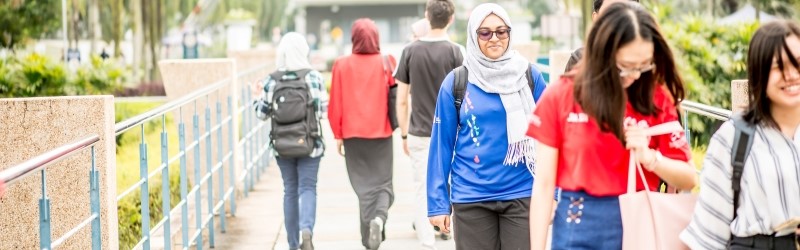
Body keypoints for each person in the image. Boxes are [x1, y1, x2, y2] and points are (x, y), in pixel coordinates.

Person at [527, 2, 698, 249]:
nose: (636, 75)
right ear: (602, 54)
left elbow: (689, 178)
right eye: (625, 66)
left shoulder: (656, 98)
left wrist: (650, 157)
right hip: (577, 225)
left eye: (644, 65)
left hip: (639, 225)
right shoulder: (562, 95)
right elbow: (543, 185)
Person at [427, 3, 547, 249]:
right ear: (474, 35)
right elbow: (441, 145)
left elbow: (551, 138)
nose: (494, 38)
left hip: (523, 193)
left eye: (501, 31)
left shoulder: (529, 76)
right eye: (485, 32)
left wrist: (554, 193)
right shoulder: (457, 82)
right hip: (472, 198)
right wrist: (438, 203)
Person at [680, 20, 800, 250]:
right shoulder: (733, 138)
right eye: (779, 66)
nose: (792, 75)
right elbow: (707, 237)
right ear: (759, 72)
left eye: (799, 63)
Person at [394, 0, 462, 248]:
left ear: (426, 16)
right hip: (453, 132)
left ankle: (426, 241)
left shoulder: (409, 51)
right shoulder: (457, 51)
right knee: (453, 182)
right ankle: (449, 231)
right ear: (451, 19)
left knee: (422, 187)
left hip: (420, 132)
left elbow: (402, 100)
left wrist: (403, 134)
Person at [327, 18, 397, 250]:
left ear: (353, 38)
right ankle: (378, 220)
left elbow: (335, 102)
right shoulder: (387, 62)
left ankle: (368, 239)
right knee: (383, 186)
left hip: (352, 135)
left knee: (365, 189)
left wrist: (338, 134)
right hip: (381, 134)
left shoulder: (341, 64)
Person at [254, 32, 327, 250]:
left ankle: (293, 244)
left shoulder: (271, 80)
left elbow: (261, 114)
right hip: (310, 143)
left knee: (290, 189)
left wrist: (255, 97)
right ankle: (307, 230)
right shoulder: (314, 77)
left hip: (282, 146)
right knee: (307, 187)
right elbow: (323, 111)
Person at [564, 0, 640, 73]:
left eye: (624, 14)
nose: (617, 20)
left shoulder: (646, 59)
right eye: (610, 13)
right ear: (596, 18)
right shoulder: (579, 60)